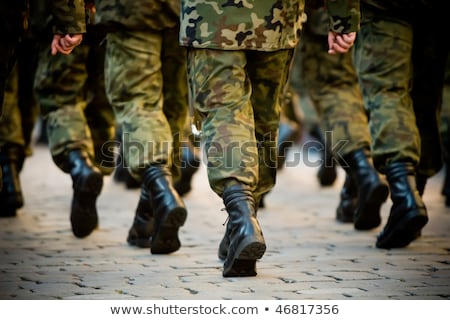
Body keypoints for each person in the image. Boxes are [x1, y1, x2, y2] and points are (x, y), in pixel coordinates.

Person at [180, 0, 360, 277]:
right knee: (263, 120)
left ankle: (241, 218)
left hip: (209, 15)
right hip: (277, 15)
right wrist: (342, 17)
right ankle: (243, 221)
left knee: (223, 110)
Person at [94, 0, 190, 253]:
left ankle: (162, 191)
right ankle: (146, 220)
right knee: (173, 107)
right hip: (184, 10)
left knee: (138, 101)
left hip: (130, 10)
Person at [353, 0, 449, 249]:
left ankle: (406, 197)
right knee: (427, 97)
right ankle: (415, 193)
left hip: (384, 7)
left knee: (387, 91)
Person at [296, 2, 389, 227]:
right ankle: (354, 192)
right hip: (390, 13)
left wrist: (340, 19)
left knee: (335, 89)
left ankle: (364, 173)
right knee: (383, 91)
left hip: (333, 9)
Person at [33, 1, 116, 238]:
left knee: (61, 96)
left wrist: (68, 23)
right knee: (102, 102)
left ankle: (80, 166)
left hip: (71, 18)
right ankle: (94, 174)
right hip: (114, 17)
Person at [0, 0, 85, 212]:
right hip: (21, 19)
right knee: (29, 93)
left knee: (15, 93)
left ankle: (10, 172)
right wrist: (69, 21)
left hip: (30, 19)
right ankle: (13, 172)